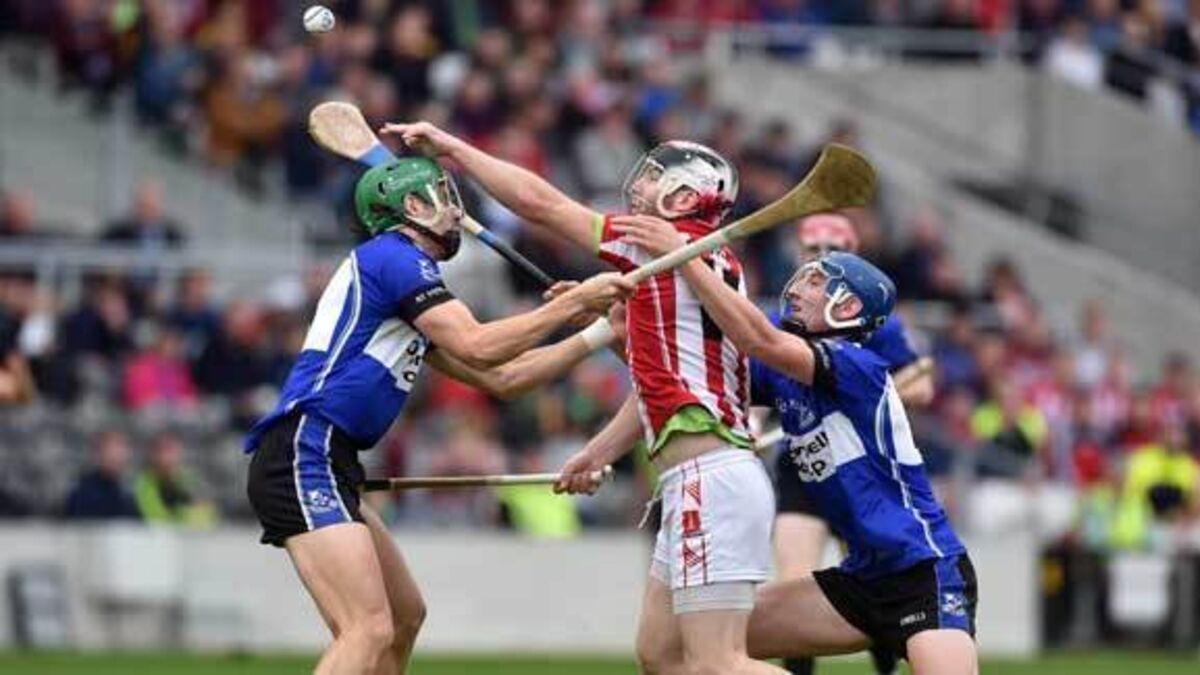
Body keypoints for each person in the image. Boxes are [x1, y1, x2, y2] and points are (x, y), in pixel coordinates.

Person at [385, 121, 785, 674]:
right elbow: (659, 383)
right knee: (662, 655)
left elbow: (542, 206)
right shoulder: (681, 265)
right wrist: (598, 450)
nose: (638, 185)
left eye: (654, 177)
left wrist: (454, 149)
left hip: (711, 479)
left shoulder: (661, 244)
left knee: (718, 663)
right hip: (697, 476)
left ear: (684, 198)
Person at [244, 157, 630, 675]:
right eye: (443, 197)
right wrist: (573, 301)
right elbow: (478, 344)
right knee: (367, 629)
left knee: (404, 617)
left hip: (333, 459)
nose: (456, 212)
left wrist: (601, 331)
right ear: (412, 206)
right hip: (304, 449)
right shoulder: (394, 257)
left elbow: (504, 378)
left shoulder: (406, 292)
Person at [616, 214, 977, 675]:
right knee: (679, 650)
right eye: (805, 275)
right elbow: (692, 379)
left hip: (924, 573)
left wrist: (683, 258)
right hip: (858, 581)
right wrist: (624, 330)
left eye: (818, 282)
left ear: (847, 307)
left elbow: (757, 339)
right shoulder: (787, 377)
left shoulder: (856, 364)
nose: (800, 287)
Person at [771, 214, 934, 675]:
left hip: (862, 471)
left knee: (876, 584)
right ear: (798, 255)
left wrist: (867, 397)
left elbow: (922, 384)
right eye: (813, 250)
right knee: (793, 584)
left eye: (834, 249)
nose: (821, 257)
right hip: (803, 468)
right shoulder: (777, 323)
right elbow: (756, 385)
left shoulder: (880, 326)